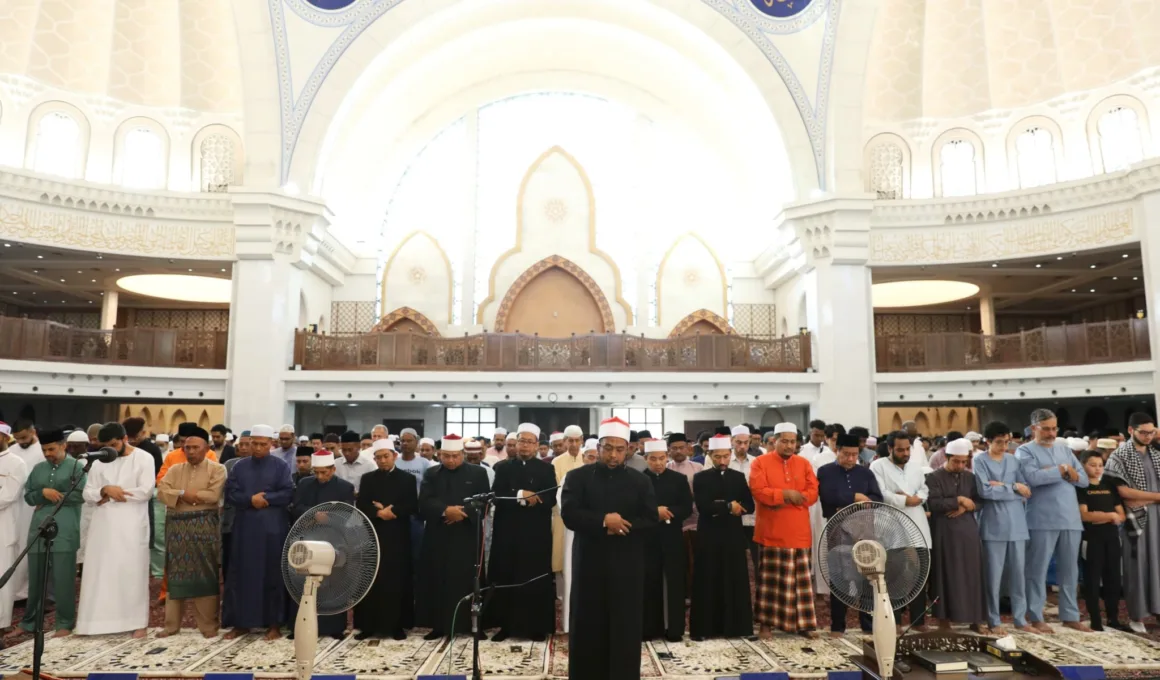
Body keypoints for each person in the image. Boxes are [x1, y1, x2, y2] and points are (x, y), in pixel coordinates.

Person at [561, 417, 657, 680]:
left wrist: (622, 525)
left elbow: (650, 519)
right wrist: (604, 520)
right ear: (598, 446)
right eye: (607, 448)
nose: (613, 455)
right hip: (589, 560)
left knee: (625, 622)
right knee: (588, 620)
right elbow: (569, 515)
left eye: (619, 449)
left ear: (628, 449)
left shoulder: (640, 481)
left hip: (627, 562)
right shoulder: (577, 477)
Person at [1016, 408, 1091, 633]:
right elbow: (1032, 478)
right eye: (1046, 429)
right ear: (1034, 429)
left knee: (1070, 570)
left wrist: (1063, 472)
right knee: (1036, 571)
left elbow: (1084, 480)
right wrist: (1062, 471)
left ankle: (1070, 615)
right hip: (1041, 519)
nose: (1051, 433)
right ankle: (1036, 615)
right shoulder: (1024, 451)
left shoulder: (1064, 449)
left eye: (1054, 428)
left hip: (1070, 518)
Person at [77, 422, 154, 637]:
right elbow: (87, 493)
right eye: (105, 446)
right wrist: (104, 490)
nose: (109, 449)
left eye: (112, 444)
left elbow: (146, 491)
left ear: (124, 439)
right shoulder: (100, 460)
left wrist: (113, 494)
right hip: (103, 526)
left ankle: (137, 622)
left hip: (131, 525)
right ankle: (95, 623)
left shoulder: (144, 458)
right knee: (100, 573)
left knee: (131, 572)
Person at [222, 424, 294, 640]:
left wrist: (266, 499)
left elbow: (288, 493)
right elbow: (231, 494)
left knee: (272, 575)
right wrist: (250, 500)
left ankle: (274, 624)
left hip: (273, 529)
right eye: (255, 444)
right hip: (245, 529)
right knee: (241, 574)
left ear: (271, 444)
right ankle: (241, 623)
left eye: (263, 444)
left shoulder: (280, 466)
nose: (258, 448)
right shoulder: (239, 467)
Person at [749, 423, 819, 638]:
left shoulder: (803, 463)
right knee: (771, 583)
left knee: (801, 583)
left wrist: (785, 497)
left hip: (799, 532)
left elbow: (812, 492)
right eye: (785, 441)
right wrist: (787, 495)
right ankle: (766, 625)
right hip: (772, 531)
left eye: (793, 441)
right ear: (774, 441)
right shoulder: (760, 462)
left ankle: (805, 625)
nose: (790, 445)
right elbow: (759, 491)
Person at [488, 423, 557, 642]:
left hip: (535, 535)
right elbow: (496, 494)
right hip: (507, 533)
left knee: (534, 578)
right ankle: (506, 626)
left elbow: (552, 497)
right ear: (516, 443)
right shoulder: (504, 468)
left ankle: (536, 626)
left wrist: (537, 498)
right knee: (506, 576)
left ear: (537, 445)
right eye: (521, 441)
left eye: (529, 442)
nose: (525, 445)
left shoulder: (547, 469)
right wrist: (521, 494)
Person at [417, 434, 490, 640]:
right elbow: (424, 502)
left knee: (470, 580)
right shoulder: (432, 474)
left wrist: (461, 513)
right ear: (440, 455)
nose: (451, 460)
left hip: (467, 535)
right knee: (438, 579)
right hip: (439, 536)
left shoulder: (478, 473)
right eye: (446, 456)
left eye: (455, 456)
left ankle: (475, 625)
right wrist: (445, 511)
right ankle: (439, 625)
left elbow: (484, 501)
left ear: (462, 455)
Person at [156, 427, 226, 638]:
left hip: (204, 526)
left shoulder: (217, 469)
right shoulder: (175, 469)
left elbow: (213, 496)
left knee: (206, 574)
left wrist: (180, 496)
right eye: (187, 447)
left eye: (195, 447)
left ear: (206, 448)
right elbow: (162, 491)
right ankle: (171, 626)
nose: (191, 451)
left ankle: (208, 627)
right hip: (177, 526)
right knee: (175, 573)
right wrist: (187, 494)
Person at [817, 432, 883, 637]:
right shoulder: (825, 471)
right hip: (838, 528)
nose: (851, 459)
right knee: (840, 577)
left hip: (864, 529)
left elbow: (876, 497)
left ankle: (867, 624)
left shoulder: (865, 473)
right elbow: (826, 496)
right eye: (846, 454)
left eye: (855, 455)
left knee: (867, 576)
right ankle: (838, 625)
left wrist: (847, 502)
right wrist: (854, 497)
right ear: (837, 450)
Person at [690, 434, 754, 640]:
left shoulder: (738, 477)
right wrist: (728, 506)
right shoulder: (701, 477)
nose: (722, 461)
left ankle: (737, 628)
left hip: (733, 536)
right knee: (708, 578)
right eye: (718, 457)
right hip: (709, 536)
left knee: (734, 579)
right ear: (710, 455)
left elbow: (749, 505)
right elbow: (703, 506)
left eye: (726, 456)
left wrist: (729, 507)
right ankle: (705, 629)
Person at [20, 428, 83, 636]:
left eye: (52, 449)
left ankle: (64, 623)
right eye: (44, 450)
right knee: (36, 579)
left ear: (63, 446)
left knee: (63, 579)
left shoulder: (77, 467)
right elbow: (28, 496)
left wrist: (56, 495)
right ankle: (29, 623)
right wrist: (42, 493)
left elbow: (82, 495)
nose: (48, 454)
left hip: (65, 530)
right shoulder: (38, 469)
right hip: (39, 529)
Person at [354, 439, 418, 640]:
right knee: (371, 580)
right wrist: (378, 512)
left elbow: (412, 506)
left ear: (394, 456)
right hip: (372, 535)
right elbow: (362, 505)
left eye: (386, 456)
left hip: (397, 537)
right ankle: (368, 626)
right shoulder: (367, 479)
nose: (382, 460)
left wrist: (393, 511)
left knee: (395, 581)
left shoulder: (407, 479)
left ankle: (396, 625)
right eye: (378, 457)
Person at [925, 438, 990, 633]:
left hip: (968, 531)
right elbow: (933, 504)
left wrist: (966, 507)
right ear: (947, 457)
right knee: (945, 574)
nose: (961, 466)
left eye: (964, 462)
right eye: (957, 462)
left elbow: (979, 502)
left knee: (972, 574)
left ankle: (975, 619)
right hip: (944, 532)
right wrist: (959, 500)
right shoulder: (933, 477)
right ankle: (944, 620)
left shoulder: (970, 478)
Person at [973, 421, 1032, 634]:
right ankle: (993, 619)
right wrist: (1013, 488)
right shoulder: (979, 461)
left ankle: (1019, 618)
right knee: (993, 576)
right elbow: (984, 491)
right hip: (992, 524)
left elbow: (1026, 490)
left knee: (1018, 574)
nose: (1004, 446)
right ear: (988, 441)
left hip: (1017, 523)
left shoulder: (1013, 460)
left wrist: (1003, 487)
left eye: (1007, 442)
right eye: (999, 442)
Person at [1104, 411, 1160, 633]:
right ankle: (1137, 615)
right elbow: (1123, 491)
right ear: (1130, 430)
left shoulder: (1156, 454)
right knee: (1137, 566)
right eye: (1143, 432)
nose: (1147, 436)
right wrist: (1156, 497)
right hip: (1135, 520)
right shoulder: (1119, 456)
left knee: (1157, 564)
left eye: (1151, 432)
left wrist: (1145, 497)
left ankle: (1157, 610)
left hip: (1155, 516)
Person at [291, 450, 356, 639]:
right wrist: (313, 514)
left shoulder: (345, 487)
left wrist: (328, 518)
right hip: (308, 537)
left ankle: (334, 627)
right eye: (316, 472)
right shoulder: (304, 484)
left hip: (334, 540)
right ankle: (301, 624)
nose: (319, 476)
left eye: (324, 472)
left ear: (333, 469)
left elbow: (346, 513)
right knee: (303, 580)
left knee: (333, 582)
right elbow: (296, 507)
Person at [871, 431, 931, 631]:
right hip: (891, 526)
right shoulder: (878, 466)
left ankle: (918, 621)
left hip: (917, 523)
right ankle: (894, 620)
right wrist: (906, 500)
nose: (905, 453)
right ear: (890, 449)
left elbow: (924, 490)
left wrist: (915, 499)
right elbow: (881, 493)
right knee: (893, 575)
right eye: (900, 450)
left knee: (919, 574)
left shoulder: (916, 467)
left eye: (907, 449)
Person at [641, 440, 692, 642]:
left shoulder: (679, 479)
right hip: (646, 538)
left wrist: (667, 513)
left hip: (672, 536)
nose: (658, 463)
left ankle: (674, 629)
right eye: (653, 459)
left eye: (662, 458)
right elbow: (633, 507)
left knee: (675, 582)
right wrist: (655, 513)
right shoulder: (638, 479)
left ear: (667, 457)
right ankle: (647, 628)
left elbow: (687, 507)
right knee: (648, 582)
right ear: (646, 459)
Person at [1077, 450, 1126, 632]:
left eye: (1100, 465)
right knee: (1092, 579)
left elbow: (1121, 515)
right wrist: (1109, 516)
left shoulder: (1109, 485)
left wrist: (1104, 517)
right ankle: (1096, 620)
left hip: (1112, 538)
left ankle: (1113, 618)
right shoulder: (1081, 487)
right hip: (1091, 539)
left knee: (1113, 579)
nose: (1098, 469)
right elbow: (1084, 515)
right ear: (1082, 465)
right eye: (1093, 465)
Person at [10, 419, 43, 600]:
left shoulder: (43, 451)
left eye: (23, 437)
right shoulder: (11, 451)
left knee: (27, 546)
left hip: (33, 506)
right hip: (11, 506)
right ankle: (10, 591)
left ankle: (25, 593)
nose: (21, 441)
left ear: (33, 431)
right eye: (17, 438)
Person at [0, 428, 30, 627]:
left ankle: (1, 628)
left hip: (4, 530)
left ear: (3, 437)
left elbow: (7, 496)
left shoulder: (16, 463)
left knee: (2, 580)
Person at [552, 425, 585, 580]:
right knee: (561, 555)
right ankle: (560, 596)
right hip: (561, 514)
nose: (573, 444)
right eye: (570, 440)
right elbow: (557, 490)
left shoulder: (587, 458)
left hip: (585, 514)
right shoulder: (556, 462)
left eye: (576, 440)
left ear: (581, 441)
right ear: (565, 441)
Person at [727, 425, 760, 573]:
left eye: (746, 442)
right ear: (732, 441)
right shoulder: (724, 460)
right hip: (730, 515)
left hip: (752, 516)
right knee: (733, 557)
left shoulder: (757, 462)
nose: (742, 446)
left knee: (756, 556)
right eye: (739, 442)